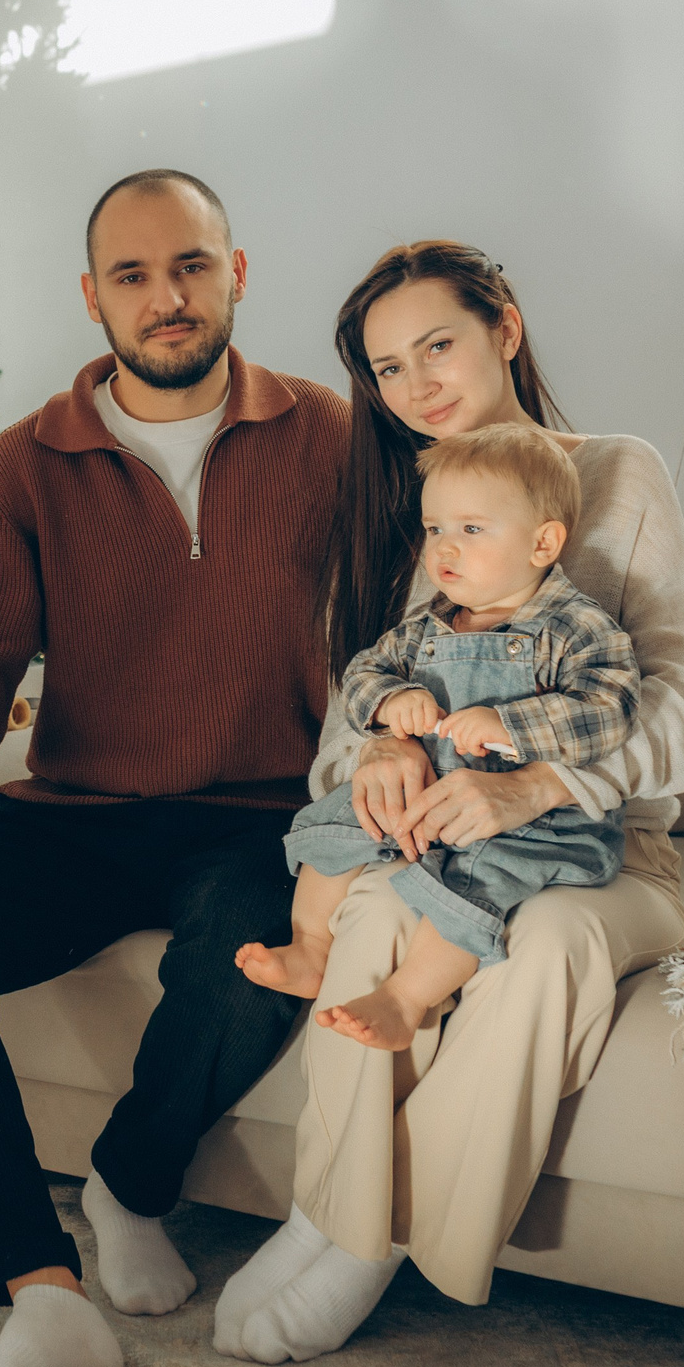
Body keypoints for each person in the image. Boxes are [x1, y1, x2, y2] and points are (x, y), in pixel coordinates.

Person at [0, 169, 350, 1367]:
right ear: (92, 298)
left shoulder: (336, 441)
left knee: (255, 951)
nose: (164, 297)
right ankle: (40, 1294)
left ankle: (129, 1179)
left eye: (188, 265)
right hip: (77, 809)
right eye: (131, 274)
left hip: (263, 816)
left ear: (237, 272)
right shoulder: (20, 474)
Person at [214, 241, 684, 1366]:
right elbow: (365, 706)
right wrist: (369, 764)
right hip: (439, 840)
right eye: (388, 369)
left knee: (542, 954)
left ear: (505, 329)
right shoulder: (419, 518)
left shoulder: (617, 477)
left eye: (436, 344)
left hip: (607, 852)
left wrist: (535, 782)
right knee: (372, 918)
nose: (417, 383)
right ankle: (323, 1211)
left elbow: (677, 723)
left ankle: (369, 1244)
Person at [239, 425, 640, 1051]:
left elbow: (610, 708)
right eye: (434, 529)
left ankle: (405, 999)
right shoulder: (425, 627)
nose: (443, 549)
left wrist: (512, 724)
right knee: (342, 818)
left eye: (472, 530)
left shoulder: (579, 628)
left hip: (531, 823)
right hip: (426, 796)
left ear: (543, 543)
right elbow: (361, 676)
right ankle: (312, 947)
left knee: (477, 879)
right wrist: (391, 704)